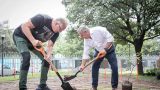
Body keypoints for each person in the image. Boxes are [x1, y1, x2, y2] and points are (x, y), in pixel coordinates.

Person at [13, 14, 68, 90]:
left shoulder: (56, 33)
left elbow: (50, 45)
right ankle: (22, 87)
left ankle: (42, 86)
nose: (60, 31)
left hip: (35, 43)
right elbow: (24, 26)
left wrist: (48, 55)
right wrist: (32, 40)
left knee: (46, 60)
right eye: (60, 28)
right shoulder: (42, 18)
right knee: (26, 57)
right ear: (56, 23)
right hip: (21, 36)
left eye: (62, 30)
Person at [77, 26, 118, 90]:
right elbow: (85, 53)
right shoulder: (86, 40)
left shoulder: (99, 30)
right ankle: (94, 86)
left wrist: (105, 50)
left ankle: (114, 87)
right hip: (99, 52)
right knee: (94, 67)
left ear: (86, 32)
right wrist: (82, 65)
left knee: (114, 67)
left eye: (82, 35)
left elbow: (111, 38)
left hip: (109, 50)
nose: (81, 37)